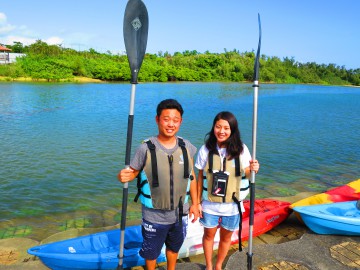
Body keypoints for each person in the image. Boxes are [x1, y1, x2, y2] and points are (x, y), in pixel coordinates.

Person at [118, 99, 199, 270]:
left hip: (179, 213)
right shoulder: (145, 149)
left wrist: (196, 204)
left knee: (174, 247)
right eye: (166, 119)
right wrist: (124, 176)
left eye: (175, 120)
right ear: (157, 119)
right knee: (151, 252)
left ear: (180, 121)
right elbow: (133, 172)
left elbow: (191, 176)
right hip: (153, 216)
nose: (171, 124)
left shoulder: (187, 147)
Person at [195, 111, 260, 270]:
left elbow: (245, 172)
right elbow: (199, 179)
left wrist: (253, 169)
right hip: (210, 204)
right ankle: (209, 265)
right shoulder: (205, 150)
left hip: (233, 206)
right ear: (213, 127)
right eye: (218, 127)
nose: (221, 131)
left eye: (226, 128)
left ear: (232, 130)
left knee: (226, 238)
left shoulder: (241, 149)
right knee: (209, 236)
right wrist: (195, 203)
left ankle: (218, 266)